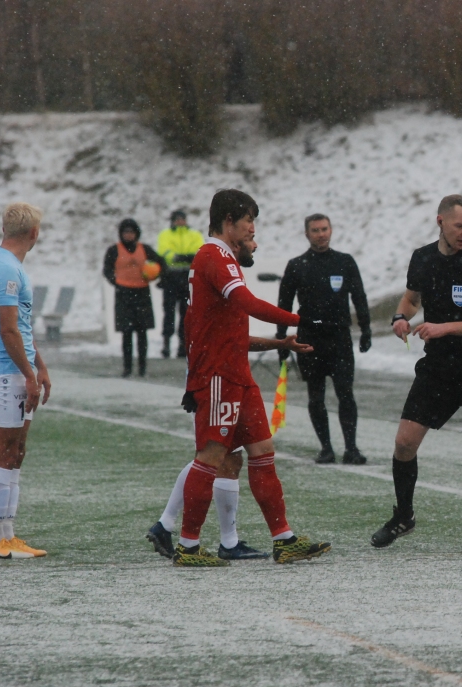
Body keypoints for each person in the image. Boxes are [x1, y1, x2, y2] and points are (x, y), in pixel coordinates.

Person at [168, 188, 328, 567]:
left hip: (236, 374)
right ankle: (187, 546)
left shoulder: (221, 259)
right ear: (228, 222)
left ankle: (283, 539)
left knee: (262, 453)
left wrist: (280, 342)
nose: (252, 230)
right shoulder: (213, 255)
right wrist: (300, 318)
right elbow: (246, 303)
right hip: (220, 376)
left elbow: (229, 330)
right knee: (209, 458)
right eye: (248, 222)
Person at [369, 194, 462, 550]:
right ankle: (403, 517)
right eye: (459, 226)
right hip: (438, 366)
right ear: (440, 221)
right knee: (405, 442)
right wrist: (400, 317)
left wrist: (444, 328)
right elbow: (411, 298)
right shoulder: (422, 258)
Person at [146, 239, 270, 561]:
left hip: (223, 376)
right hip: (218, 378)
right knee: (211, 455)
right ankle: (170, 526)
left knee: (228, 458)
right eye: (249, 230)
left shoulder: (214, 270)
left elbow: (209, 332)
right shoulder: (215, 264)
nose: (254, 242)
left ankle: (226, 541)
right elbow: (202, 331)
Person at [276, 214, 372, 465]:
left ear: (331, 230)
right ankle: (326, 448)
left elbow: (359, 297)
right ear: (307, 234)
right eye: (315, 230)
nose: (321, 234)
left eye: (324, 229)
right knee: (316, 396)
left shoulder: (345, 262)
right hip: (309, 339)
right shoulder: (297, 265)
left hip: (339, 338)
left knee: (345, 393)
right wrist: (281, 340)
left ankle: (351, 448)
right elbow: (284, 305)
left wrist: (366, 330)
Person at [0, 203, 52, 560]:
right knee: (3, 452)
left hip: (18, 369)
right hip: (4, 372)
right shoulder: (4, 269)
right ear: (34, 233)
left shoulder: (10, 265)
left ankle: (7, 533)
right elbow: (8, 328)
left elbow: (22, 328)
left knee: (16, 453)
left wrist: (39, 366)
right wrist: (29, 374)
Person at [103, 219, 166, 377]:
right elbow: (107, 269)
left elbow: (161, 262)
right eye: (126, 233)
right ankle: (127, 367)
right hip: (124, 294)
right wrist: (115, 282)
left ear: (136, 234)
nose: (128, 235)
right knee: (126, 332)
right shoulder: (114, 250)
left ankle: (142, 367)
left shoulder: (144, 249)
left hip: (142, 293)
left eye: (131, 232)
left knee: (142, 332)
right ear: (121, 234)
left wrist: (158, 277)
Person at [156, 209, 204, 358]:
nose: (180, 222)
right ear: (172, 221)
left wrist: (181, 257)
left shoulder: (194, 234)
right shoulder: (165, 234)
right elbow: (165, 252)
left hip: (188, 278)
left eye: (182, 219)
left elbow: (200, 251)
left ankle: (183, 345)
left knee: (186, 313)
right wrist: (184, 257)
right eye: (177, 219)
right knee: (169, 312)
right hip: (171, 278)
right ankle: (166, 343)